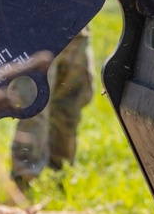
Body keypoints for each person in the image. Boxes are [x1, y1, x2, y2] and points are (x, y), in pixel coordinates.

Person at [11, 27, 94, 189]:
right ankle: (24, 183)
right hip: (37, 26)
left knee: (70, 107)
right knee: (34, 107)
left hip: (77, 27)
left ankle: (61, 178)